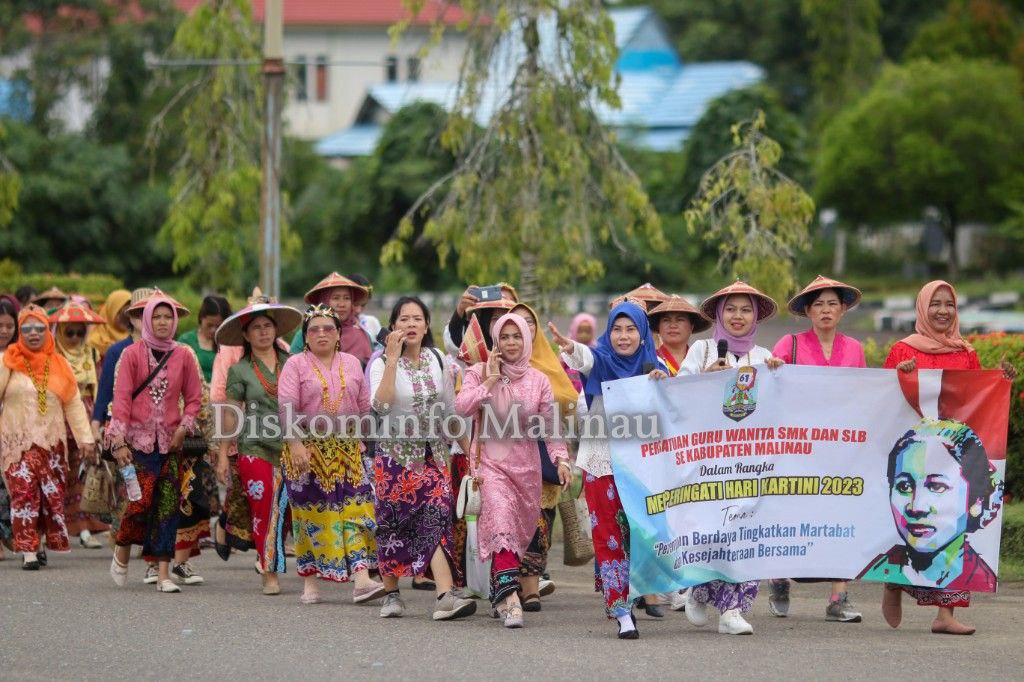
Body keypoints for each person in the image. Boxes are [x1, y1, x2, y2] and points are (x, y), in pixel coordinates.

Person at [881, 279, 1016, 635]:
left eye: (949, 304)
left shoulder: (965, 352)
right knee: (914, 520)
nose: (943, 311)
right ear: (923, 309)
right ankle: (893, 583)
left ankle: (945, 616)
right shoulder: (902, 350)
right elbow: (881, 398)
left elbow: (974, 397)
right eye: (935, 304)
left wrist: (1000, 380)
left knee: (950, 528)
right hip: (915, 454)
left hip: (950, 456)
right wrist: (900, 375)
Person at [550, 299, 666, 639]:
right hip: (602, 463)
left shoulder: (654, 368)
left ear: (643, 333)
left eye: (631, 329)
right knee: (608, 535)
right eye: (617, 328)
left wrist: (662, 382)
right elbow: (582, 357)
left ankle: (644, 590)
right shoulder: (599, 360)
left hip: (642, 468)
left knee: (641, 535)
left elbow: (673, 407)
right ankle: (621, 610)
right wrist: (570, 345)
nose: (623, 336)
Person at [678, 281, 783, 635]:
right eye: (732, 309)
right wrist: (703, 382)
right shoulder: (701, 351)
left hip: (752, 461)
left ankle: (733, 610)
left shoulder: (765, 356)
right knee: (715, 533)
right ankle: (699, 590)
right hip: (709, 461)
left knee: (747, 533)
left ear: (756, 316)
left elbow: (780, 407)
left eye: (746, 310)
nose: (738, 317)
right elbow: (674, 398)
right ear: (720, 314)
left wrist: (783, 377)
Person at [455, 313, 571, 629]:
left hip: (527, 469)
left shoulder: (538, 381)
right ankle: (510, 599)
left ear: (526, 340)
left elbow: (550, 425)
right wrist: (491, 380)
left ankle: (500, 588)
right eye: (504, 337)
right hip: (490, 466)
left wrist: (560, 459)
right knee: (502, 523)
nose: (510, 343)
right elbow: (462, 407)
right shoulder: (478, 372)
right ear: (496, 341)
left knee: (513, 533)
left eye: (516, 336)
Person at [369, 296, 477, 620]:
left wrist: (469, 450)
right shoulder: (379, 363)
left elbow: (449, 409)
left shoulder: (437, 359)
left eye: (417, 319)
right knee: (392, 525)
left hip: (433, 455)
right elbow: (382, 406)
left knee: (435, 513)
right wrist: (391, 360)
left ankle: (445, 596)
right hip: (394, 456)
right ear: (393, 327)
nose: (411, 324)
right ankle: (391, 593)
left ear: (427, 325)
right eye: (404, 319)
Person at [766, 275, 866, 622]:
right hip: (796, 447)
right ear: (807, 311)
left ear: (842, 310)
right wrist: (774, 369)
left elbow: (864, 393)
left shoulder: (854, 349)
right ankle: (779, 578)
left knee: (839, 514)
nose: (826, 310)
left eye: (832, 304)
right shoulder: (788, 344)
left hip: (838, 448)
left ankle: (839, 597)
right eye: (819, 304)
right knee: (789, 510)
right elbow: (770, 388)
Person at [278, 304, 384, 605]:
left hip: (348, 452)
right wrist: (296, 444)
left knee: (357, 511)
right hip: (306, 451)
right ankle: (310, 582)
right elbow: (286, 407)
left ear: (339, 334)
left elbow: (364, 405)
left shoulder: (351, 362)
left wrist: (364, 442)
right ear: (305, 337)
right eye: (314, 329)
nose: (321, 334)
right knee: (312, 516)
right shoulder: (295, 364)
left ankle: (362, 579)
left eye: (328, 328)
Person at [106, 296, 203, 593]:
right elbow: (121, 401)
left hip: (171, 444)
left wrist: (184, 430)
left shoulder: (184, 355)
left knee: (167, 507)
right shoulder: (132, 355)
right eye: (157, 317)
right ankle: (122, 548)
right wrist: (118, 442)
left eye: (167, 317)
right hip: (138, 443)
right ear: (147, 319)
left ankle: (163, 575)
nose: (162, 322)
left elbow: (194, 399)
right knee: (138, 503)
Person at [215, 294, 301, 595]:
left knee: (289, 511)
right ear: (245, 335)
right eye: (257, 327)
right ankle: (269, 570)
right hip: (254, 448)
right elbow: (232, 415)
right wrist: (225, 454)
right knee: (264, 509)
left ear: (276, 330)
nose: (264, 332)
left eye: (268, 326)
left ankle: (277, 557)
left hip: (293, 447)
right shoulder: (239, 371)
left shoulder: (292, 363)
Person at [0, 304, 96, 569]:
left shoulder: (59, 364)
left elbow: (74, 404)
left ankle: (38, 540)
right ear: (20, 332)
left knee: (46, 497)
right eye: (27, 328)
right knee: (23, 493)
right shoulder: (8, 359)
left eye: (39, 328)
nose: (33, 333)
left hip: (52, 443)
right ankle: (28, 550)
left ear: (47, 330)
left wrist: (86, 439)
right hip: (16, 442)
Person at [858, 419, 1001, 594]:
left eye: (937, 486)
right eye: (904, 487)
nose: (916, 506)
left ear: (976, 499)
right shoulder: (873, 569)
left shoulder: (980, 577)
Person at [510, 302, 579, 611]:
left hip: (544, 452)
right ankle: (511, 584)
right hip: (508, 457)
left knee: (540, 524)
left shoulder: (547, 364)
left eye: (530, 322)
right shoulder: (497, 364)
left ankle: (532, 587)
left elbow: (569, 399)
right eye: (517, 323)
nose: (525, 328)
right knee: (510, 522)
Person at [50, 302, 110, 549]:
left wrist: (99, 420)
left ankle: (85, 527)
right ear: (60, 332)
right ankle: (58, 526)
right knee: (60, 472)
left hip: (87, 416)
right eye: (69, 333)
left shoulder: (93, 354)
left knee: (84, 473)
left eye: (80, 332)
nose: (75, 338)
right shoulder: (53, 356)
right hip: (60, 418)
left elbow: (101, 387)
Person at [289, 273, 373, 366]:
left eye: (347, 298)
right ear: (323, 301)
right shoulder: (306, 334)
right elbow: (292, 369)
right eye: (335, 298)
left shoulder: (362, 335)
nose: (342, 304)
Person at [648, 295, 711, 377]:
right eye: (666, 320)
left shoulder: (704, 359)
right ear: (658, 327)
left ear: (691, 327)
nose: (673, 325)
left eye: (680, 320)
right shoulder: (649, 360)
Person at [178, 295, 231, 384]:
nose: (213, 330)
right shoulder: (186, 341)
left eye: (218, 326)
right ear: (201, 318)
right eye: (209, 325)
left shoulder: (230, 343)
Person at [0, 295, 16, 559]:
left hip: (15, 429)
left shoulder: (20, 356)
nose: (4, 331)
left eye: (9, 326)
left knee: (10, 486)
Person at [86, 289, 132, 363]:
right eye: (123, 314)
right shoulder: (95, 340)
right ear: (111, 311)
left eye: (131, 314)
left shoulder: (136, 337)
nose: (127, 319)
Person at [562, 312, 597, 392]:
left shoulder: (597, 353)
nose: (584, 335)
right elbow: (558, 372)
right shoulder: (565, 351)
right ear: (574, 330)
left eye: (588, 331)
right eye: (580, 331)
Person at [347, 273, 383, 340]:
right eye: (355, 304)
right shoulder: (332, 326)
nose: (359, 310)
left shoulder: (372, 322)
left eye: (363, 305)